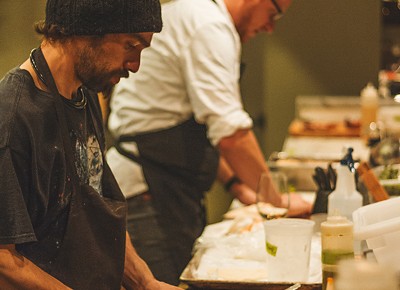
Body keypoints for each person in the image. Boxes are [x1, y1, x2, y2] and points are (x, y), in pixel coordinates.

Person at [106, 0, 313, 285]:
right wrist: (277, 202)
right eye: (273, 13)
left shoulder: (197, 14)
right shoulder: (209, 25)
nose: (269, 27)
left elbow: (199, 129)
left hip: (162, 188)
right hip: (148, 194)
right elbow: (231, 135)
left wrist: (237, 186)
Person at [0, 0, 181, 289]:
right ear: (88, 28)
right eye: (130, 46)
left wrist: (147, 283)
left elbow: (99, 214)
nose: (135, 66)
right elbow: (4, 260)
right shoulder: (13, 117)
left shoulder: (84, 97)